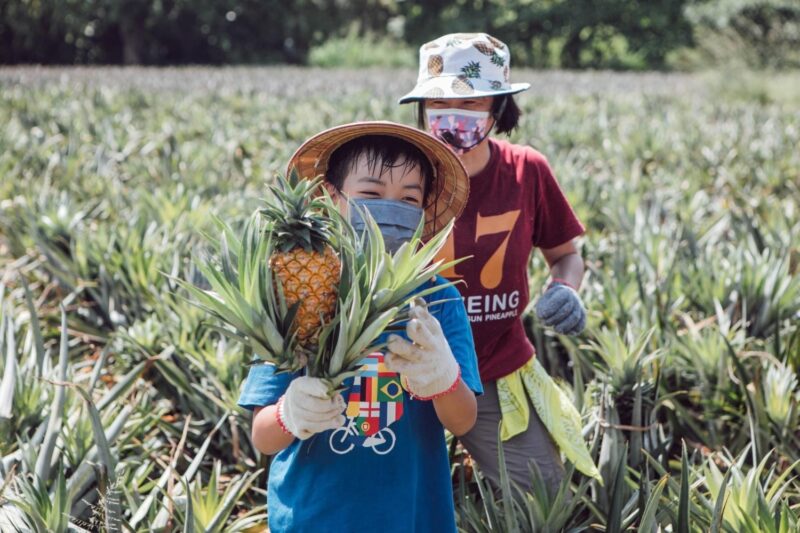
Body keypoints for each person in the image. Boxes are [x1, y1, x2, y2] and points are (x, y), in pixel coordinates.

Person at [238, 121, 483, 533]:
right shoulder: (298, 295)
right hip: (312, 519)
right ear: (332, 198)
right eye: (370, 194)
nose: (389, 207)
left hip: (414, 519)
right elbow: (262, 438)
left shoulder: (438, 300)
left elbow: (464, 421)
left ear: (422, 212)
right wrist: (289, 413)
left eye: (408, 198)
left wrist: (444, 377)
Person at [399, 33, 590, 492]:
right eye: (440, 108)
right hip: (402, 367)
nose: (453, 124)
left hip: (494, 367)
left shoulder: (526, 171)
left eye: (471, 108)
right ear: (421, 110)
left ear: (499, 111)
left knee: (543, 495)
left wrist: (565, 288)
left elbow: (566, 255)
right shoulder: (399, 174)